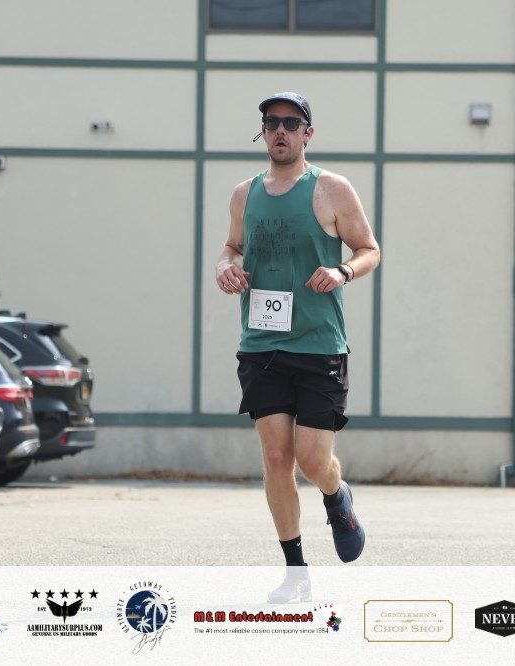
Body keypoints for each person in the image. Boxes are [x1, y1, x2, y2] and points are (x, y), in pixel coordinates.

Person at [215, 92, 381, 602]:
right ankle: (296, 573)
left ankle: (337, 493)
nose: (280, 130)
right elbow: (233, 247)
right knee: (275, 456)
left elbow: (369, 249)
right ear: (263, 132)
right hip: (261, 343)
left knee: (312, 461)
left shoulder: (331, 188)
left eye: (291, 123)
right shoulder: (244, 194)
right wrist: (224, 266)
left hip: (318, 344)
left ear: (308, 133)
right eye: (272, 122)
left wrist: (343, 270)